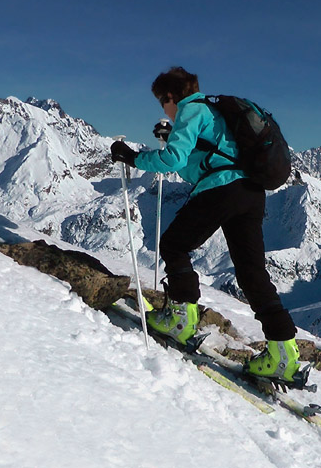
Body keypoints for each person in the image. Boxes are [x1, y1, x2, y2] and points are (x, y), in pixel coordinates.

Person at [111, 66, 300, 383]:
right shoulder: (214, 113)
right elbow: (194, 168)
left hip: (223, 190)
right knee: (251, 272)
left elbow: (172, 160)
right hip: (250, 193)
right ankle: (283, 352)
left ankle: (181, 319)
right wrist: (173, 139)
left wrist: (132, 157)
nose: (167, 113)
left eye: (163, 104)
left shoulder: (192, 109)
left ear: (171, 97)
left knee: (174, 244)